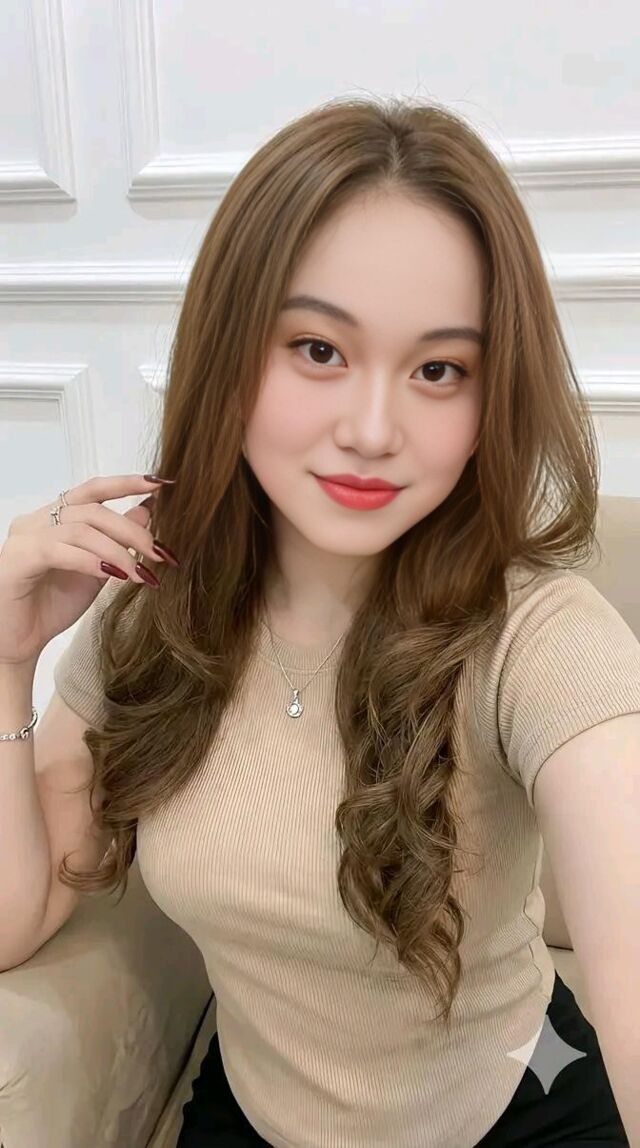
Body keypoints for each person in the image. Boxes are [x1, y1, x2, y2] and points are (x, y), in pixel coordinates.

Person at [1, 94, 636, 1147]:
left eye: (439, 370)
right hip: (259, 1111)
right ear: (231, 353)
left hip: (521, 1096)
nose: (373, 430)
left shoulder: (539, 637)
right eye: (317, 349)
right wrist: (8, 657)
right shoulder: (153, 614)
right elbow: (14, 920)